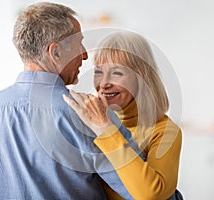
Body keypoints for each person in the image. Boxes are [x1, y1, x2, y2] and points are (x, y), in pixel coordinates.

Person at [0, 2, 133, 199]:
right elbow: (143, 190)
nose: (84, 55)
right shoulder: (92, 116)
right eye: (79, 44)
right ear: (55, 52)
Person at [63, 31, 183, 199]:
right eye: (98, 72)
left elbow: (151, 195)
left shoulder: (165, 132)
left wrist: (105, 129)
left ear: (141, 78)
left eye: (117, 73)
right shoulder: (92, 122)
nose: (104, 84)